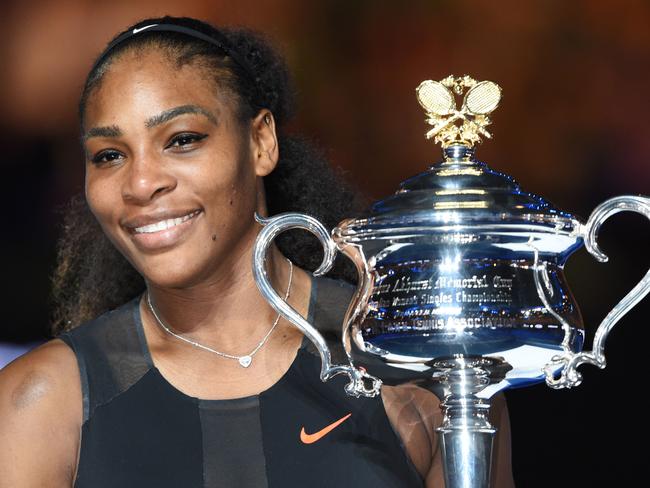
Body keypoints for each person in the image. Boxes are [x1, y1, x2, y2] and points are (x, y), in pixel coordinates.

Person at [0, 16, 514, 487]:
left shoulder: (416, 368)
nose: (140, 182)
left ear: (261, 142)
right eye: (109, 155)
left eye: (181, 139)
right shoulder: (40, 403)